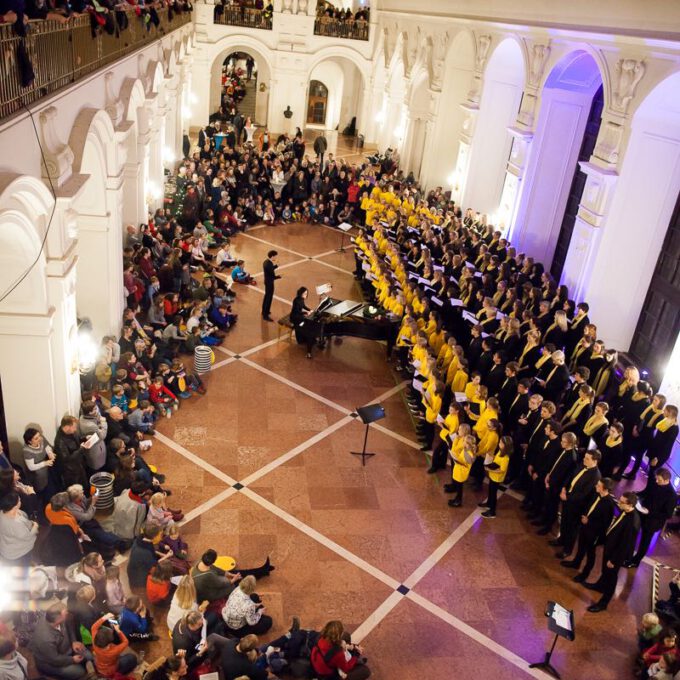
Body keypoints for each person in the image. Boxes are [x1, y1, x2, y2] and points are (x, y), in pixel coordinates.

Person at [584, 491, 641, 612]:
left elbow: (625, 546)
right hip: (610, 548)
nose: (619, 504)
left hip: (616, 555)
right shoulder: (626, 511)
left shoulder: (632, 523)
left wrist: (614, 560)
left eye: (622, 502)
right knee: (605, 571)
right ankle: (599, 586)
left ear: (630, 505)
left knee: (611, 578)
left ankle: (603, 603)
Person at [561, 477, 617, 581]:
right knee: (580, 547)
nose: (596, 486)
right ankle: (576, 563)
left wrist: (589, 522)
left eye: (599, 486)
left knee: (590, 555)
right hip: (584, 527)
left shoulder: (609, 505)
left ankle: (584, 575)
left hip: (594, 534)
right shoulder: (596, 494)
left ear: (605, 489)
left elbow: (605, 524)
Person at [552, 449, 602, 558]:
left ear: (595, 461)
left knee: (572, 529)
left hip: (577, 507)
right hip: (567, 500)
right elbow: (571, 476)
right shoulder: (582, 464)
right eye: (584, 457)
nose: (584, 459)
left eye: (587, 459)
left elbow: (583, 494)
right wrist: (564, 488)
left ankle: (567, 550)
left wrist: (567, 497)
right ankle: (561, 540)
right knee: (564, 522)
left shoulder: (595, 476)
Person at [624, 468, 678, 567]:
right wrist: (635, 494)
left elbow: (667, 514)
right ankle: (627, 554)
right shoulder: (655, 482)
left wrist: (650, 512)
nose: (656, 481)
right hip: (642, 513)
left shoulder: (672, 496)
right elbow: (646, 492)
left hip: (653, 521)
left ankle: (635, 562)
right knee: (632, 532)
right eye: (656, 479)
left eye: (659, 480)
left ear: (667, 480)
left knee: (644, 542)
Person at [30, 602, 94, 680]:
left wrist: (74, 641)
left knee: (89, 657)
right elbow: (54, 659)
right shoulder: (45, 639)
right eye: (65, 613)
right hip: (51, 663)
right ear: (58, 618)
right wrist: (72, 659)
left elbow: (69, 625)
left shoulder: (55, 618)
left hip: (66, 649)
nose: (67, 613)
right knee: (80, 672)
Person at [91, 613, 137, 678]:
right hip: (110, 670)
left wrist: (105, 617)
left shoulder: (94, 639)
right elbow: (126, 642)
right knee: (132, 658)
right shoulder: (113, 651)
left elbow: (93, 627)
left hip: (99, 666)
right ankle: (116, 674)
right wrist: (118, 631)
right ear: (108, 644)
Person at [0, 491, 38, 565]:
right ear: (15, 506)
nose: (21, 501)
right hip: (18, 551)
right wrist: (35, 525)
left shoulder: (2, 512)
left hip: (6, 545)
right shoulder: (16, 524)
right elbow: (28, 536)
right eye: (19, 500)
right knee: (23, 566)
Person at [479, 436, 512, 519]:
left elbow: (502, 470)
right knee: (490, 491)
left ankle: (492, 512)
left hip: (497, 478)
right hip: (493, 476)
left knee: (493, 494)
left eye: (501, 443)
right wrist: (492, 457)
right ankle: (488, 504)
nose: (499, 443)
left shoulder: (506, 458)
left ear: (505, 445)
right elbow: (496, 460)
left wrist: (490, 470)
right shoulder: (500, 452)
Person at [290, 286, 320, 359]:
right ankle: (301, 337)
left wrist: (310, 310)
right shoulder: (296, 300)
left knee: (306, 321)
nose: (305, 295)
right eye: (304, 293)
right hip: (295, 317)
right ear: (300, 293)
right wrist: (305, 313)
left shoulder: (302, 299)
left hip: (299, 315)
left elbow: (304, 306)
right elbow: (297, 311)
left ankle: (306, 338)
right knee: (304, 323)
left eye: (306, 293)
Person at [261, 249, 280, 321]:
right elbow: (273, 276)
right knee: (269, 298)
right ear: (272, 256)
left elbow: (270, 269)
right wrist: (279, 276)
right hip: (269, 283)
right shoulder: (269, 264)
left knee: (266, 296)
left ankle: (264, 311)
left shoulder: (266, 262)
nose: (276, 258)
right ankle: (265, 315)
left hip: (267, 281)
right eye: (275, 256)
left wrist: (276, 266)